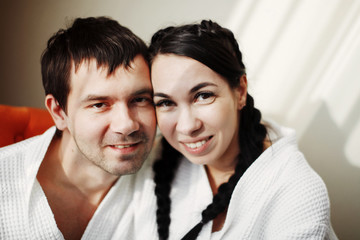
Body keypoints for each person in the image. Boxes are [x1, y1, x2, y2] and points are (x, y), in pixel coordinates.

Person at [142, 20, 338, 239]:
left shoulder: (297, 192)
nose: (188, 127)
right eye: (166, 103)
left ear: (240, 91)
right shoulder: (150, 163)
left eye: (203, 95)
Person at [0, 16, 156, 239]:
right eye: (99, 104)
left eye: (140, 99)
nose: (127, 125)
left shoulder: (171, 173)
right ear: (58, 112)